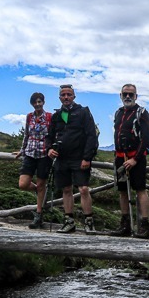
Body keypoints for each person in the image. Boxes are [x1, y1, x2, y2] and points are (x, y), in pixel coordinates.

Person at [45, 84, 99, 234]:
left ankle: (89, 222)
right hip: (61, 158)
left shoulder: (83, 112)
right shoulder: (56, 116)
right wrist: (49, 149)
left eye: (69, 94)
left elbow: (91, 136)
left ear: (74, 96)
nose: (66, 97)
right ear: (59, 98)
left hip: (79, 158)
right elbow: (49, 136)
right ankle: (69, 222)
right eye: (63, 95)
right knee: (66, 189)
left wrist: (87, 157)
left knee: (83, 189)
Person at [109, 84, 149, 239]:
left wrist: (135, 159)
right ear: (120, 95)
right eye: (125, 94)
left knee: (140, 189)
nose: (128, 97)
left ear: (136, 96)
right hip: (120, 157)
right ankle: (125, 225)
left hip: (136, 158)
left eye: (131, 94)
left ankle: (144, 226)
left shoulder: (142, 113)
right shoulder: (118, 113)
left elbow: (146, 138)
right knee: (122, 191)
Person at [15, 92, 53, 229]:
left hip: (44, 154)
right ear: (32, 104)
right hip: (30, 153)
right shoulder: (29, 117)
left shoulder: (49, 117)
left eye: (40, 102)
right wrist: (22, 149)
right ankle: (39, 192)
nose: (37, 104)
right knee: (23, 184)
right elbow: (26, 134)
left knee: (42, 183)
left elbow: (53, 135)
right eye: (35, 102)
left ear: (43, 102)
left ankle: (38, 215)